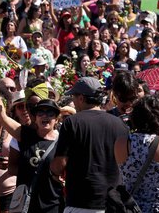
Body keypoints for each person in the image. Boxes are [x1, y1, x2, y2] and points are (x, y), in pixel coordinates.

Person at [50, 77, 130, 212]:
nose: (73, 102)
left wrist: (53, 172)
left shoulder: (72, 122)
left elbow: (60, 163)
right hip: (114, 202)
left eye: (74, 97)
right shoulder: (120, 124)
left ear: (81, 98)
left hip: (81, 203)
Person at [0, 82, 64, 213]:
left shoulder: (63, 140)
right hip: (26, 206)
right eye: (40, 112)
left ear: (57, 118)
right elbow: (2, 117)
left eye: (50, 113)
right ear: (35, 117)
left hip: (53, 206)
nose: (45, 116)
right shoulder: (24, 135)